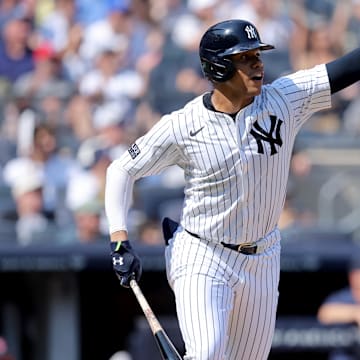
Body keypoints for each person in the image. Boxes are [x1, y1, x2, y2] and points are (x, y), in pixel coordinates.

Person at [104, 19, 360, 360]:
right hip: (203, 252)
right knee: (207, 352)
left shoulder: (284, 99)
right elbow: (121, 169)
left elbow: (346, 68)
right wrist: (119, 239)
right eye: (245, 57)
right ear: (219, 66)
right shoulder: (184, 125)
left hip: (264, 254)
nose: (258, 64)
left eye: (258, 55)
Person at [317, 256, 360, 360]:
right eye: (357, 274)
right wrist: (354, 313)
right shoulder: (341, 297)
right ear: (351, 276)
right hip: (344, 355)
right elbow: (323, 314)